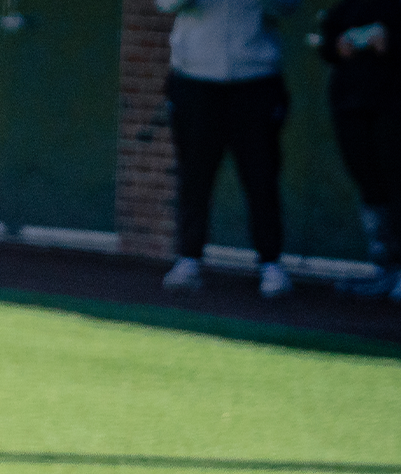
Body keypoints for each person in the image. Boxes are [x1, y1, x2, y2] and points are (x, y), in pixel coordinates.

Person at [158, 0, 302, 299]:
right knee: (194, 176)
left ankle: (270, 264)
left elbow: (288, 6)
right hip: (194, 80)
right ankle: (189, 259)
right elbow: (166, 3)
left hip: (256, 80)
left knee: (261, 176)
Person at [318, 0, 401, 298]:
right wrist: (337, 45)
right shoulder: (348, 7)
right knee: (370, 185)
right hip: (352, 105)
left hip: (392, 106)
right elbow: (327, 43)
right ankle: (386, 268)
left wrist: (390, 40)